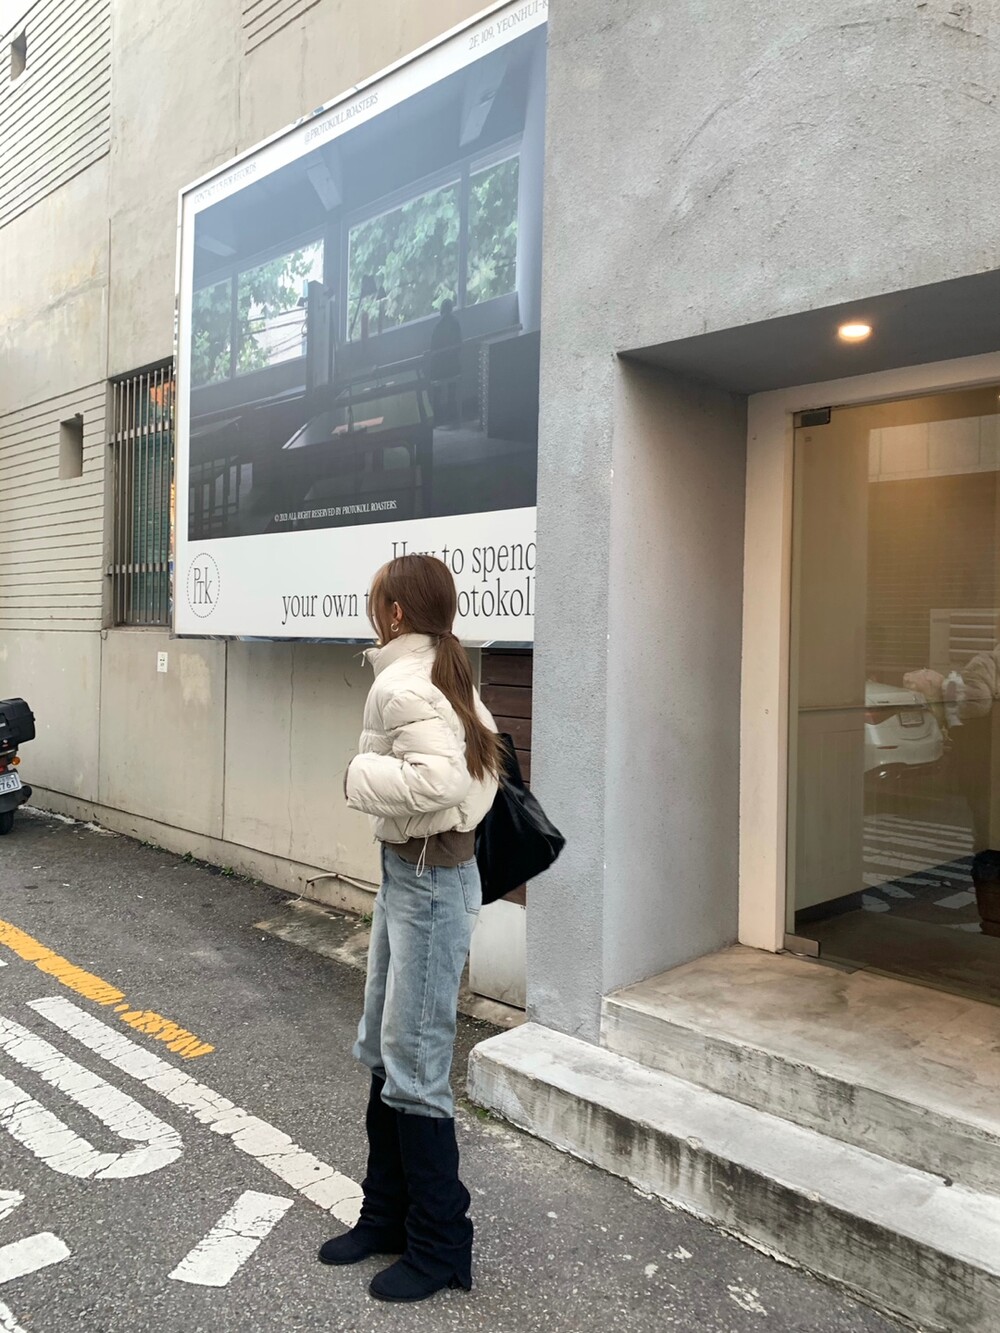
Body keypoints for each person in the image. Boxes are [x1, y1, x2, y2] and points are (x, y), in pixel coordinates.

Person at [318, 553, 500, 1303]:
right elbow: (478, 774)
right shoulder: (443, 671)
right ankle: (385, 1216)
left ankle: (440, 1245)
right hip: (415, 872)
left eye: (376, 602)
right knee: (383, 1044)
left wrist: (356, 777)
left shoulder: (407, 682)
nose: (373, 611)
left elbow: (444, 779)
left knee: (416, 1061)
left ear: (395, 612)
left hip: (430, 879)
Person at [428, 299, 462, 425]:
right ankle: (452, 413)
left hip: (440, 369)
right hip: (453, 367)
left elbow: (433, 349)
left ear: (441, 310)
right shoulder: (455, 324)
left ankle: (437, 416)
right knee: (452, 389)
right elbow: (459, 345)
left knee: (436, 389)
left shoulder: (437, 327)